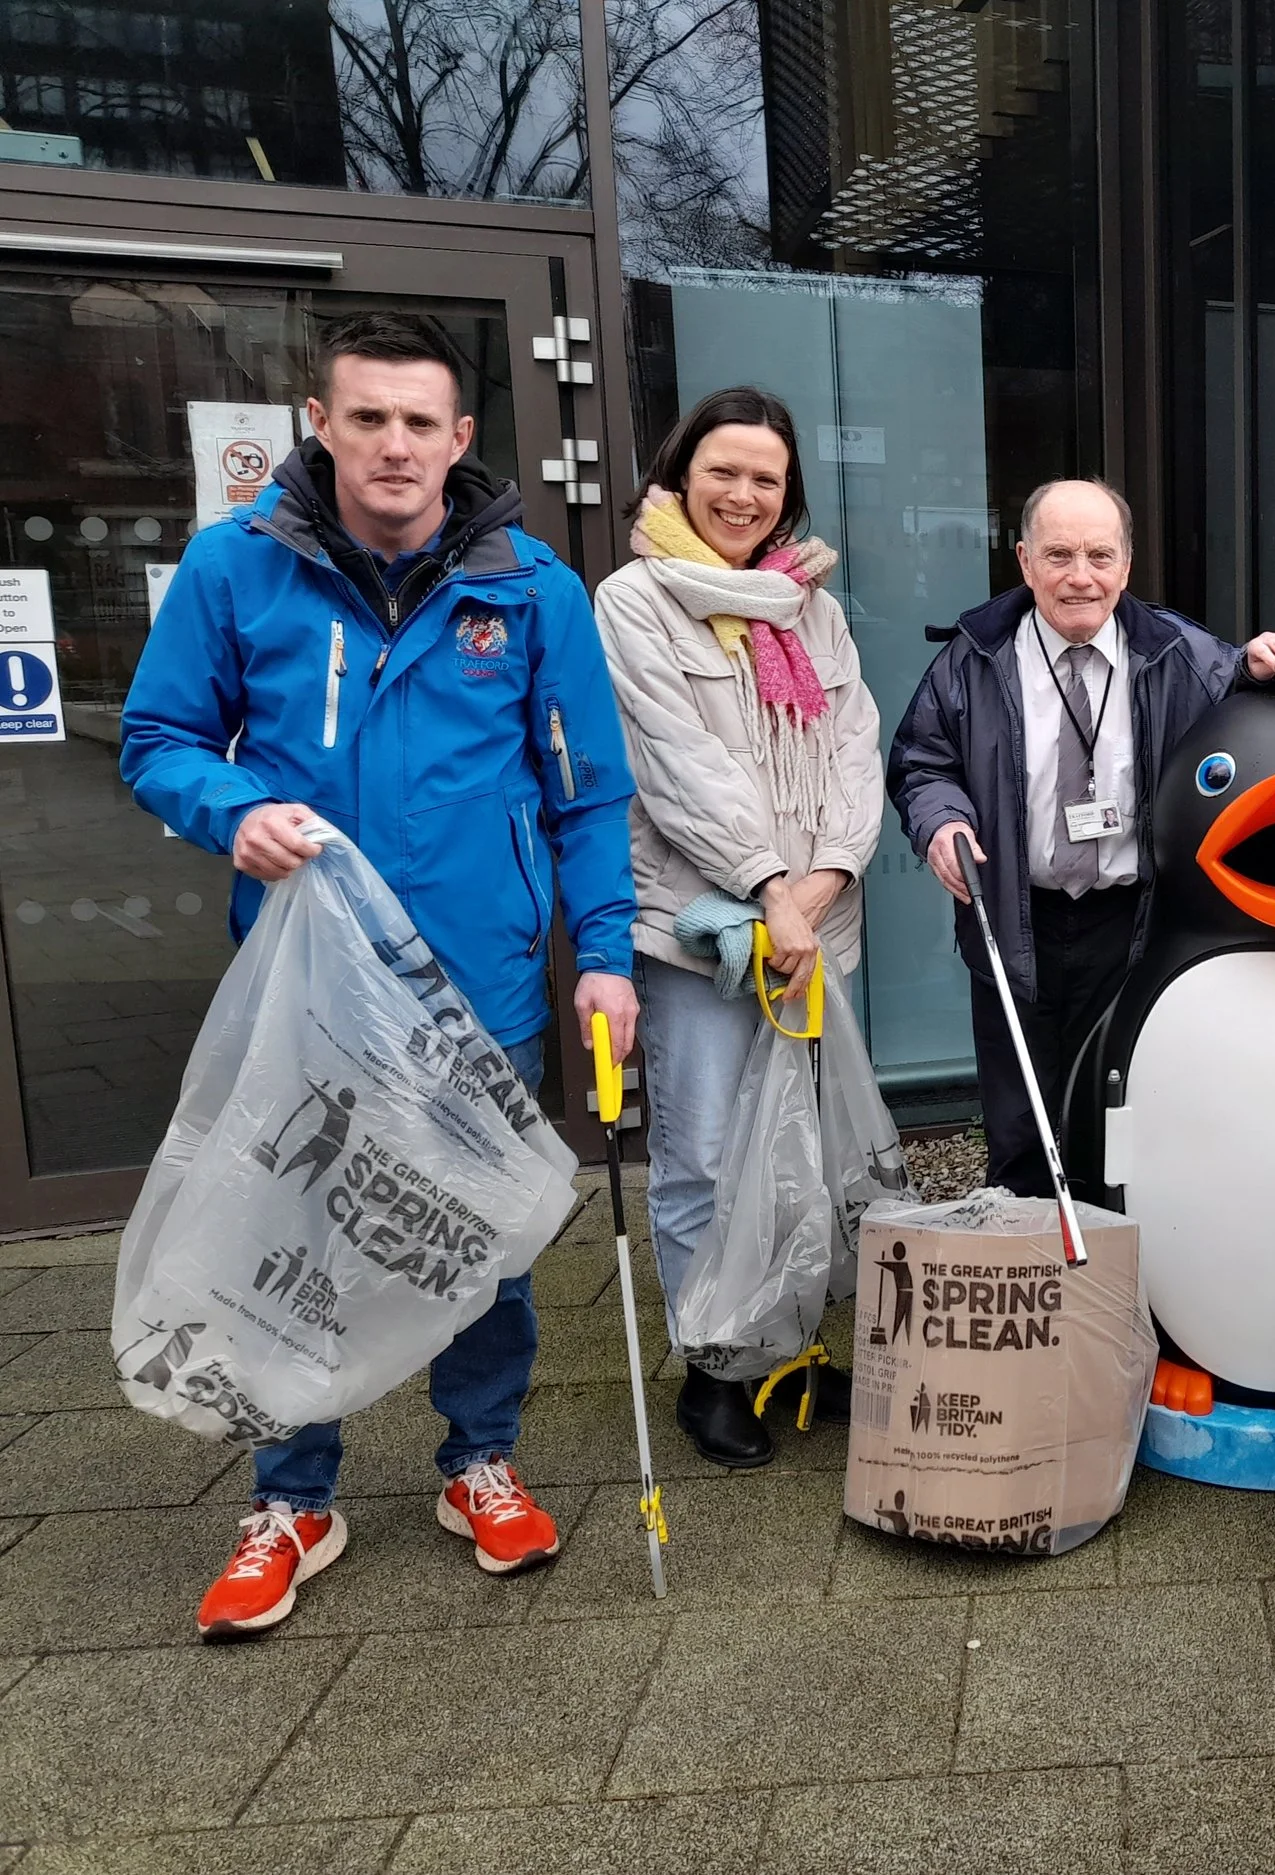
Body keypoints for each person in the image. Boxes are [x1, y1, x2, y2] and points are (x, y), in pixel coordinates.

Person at [122, 311, 640, 1639]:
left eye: (421, 422)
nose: (395, 444)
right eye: (369, 417)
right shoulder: (237, 568)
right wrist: (227, 807)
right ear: (323, 423)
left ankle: (479, 1458)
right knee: (291, 1232)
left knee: (478, 1232)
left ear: (461, 439)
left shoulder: (533, 590)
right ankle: (293, 1494)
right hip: (310, 985)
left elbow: (587, 797)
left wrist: (608, 959)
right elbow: (160, 735)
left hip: (483, 988)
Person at [593, 386, 885, 1469]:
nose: (743, 495)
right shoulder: (631, 601)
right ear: (680, 475)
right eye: (723, 471)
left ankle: (791, 1340)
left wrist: (827, 878)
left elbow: (856, 745)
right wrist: (768, 888)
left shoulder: (809, 604)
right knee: (707, 1156)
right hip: (699, 930)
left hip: (813, 924)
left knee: (800, 1153)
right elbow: (676, 768)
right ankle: (716, 1365)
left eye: (765, 478)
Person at [886, 479, 1275, 1194]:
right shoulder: (974, 656)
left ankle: (1108, 1270)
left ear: (1126, 564)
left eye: (1099, 555)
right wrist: (941, 821)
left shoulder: (1177, 651)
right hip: (1014, 914)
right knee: (1020, 1116)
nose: (1080, 575)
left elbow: (1254, 705)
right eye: (1059, 554)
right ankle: (1026, 1270)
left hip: (1132, 923)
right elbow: (923, 761)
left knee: (1119, 1106)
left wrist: (1272, 665)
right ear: (1024, 561)